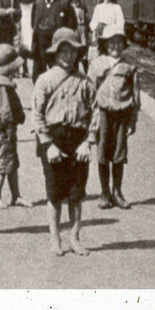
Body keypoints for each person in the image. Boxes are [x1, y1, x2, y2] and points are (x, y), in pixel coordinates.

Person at [32, 27, 94, 254]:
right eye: (63, 51)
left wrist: (88, 141)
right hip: (53, 141)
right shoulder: (45, 80)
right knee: (55, 194)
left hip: (78, 141)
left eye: (72, 52)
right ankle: (55, 238)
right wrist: (48, 144)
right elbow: (37, 114)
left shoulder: (85, 82)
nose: (68, 56)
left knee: (76, 194)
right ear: (55, 54)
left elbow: (94, 113)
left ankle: (74, 237)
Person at [90, 28, 140, 208]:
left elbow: (135, 94)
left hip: (122, 115)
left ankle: (117, 191)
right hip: (103, 114)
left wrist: (133, 120)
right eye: (111, 42)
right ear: (105, 44)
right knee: (102, 153)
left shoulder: (129, 66)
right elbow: (90, 92)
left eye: (119, 42)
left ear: (124, 45)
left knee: (119, 153)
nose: (115, 46)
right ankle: (104, 193)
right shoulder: (96, 64)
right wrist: (91, 118)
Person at [0, 40, 26, 206]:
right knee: (4, 162)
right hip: (3, 129)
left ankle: (16, 194)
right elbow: (5, 111)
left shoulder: (1, 82)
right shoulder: (0, 85)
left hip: (8, 129)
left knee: (12, 161)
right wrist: (11, 122)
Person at [31, 0, 76, 78]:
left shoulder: (63, 4)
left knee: (57, 71)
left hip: (56, 44)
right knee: (38, 73)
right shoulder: (37, 5)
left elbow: (72, 24)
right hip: (41, 44)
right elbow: (33, 23)